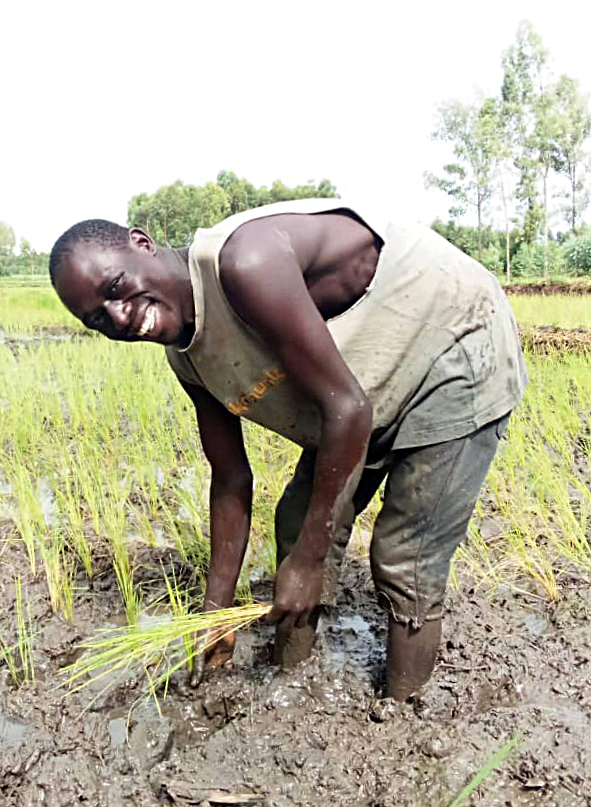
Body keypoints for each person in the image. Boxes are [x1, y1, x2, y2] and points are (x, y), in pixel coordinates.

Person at [49, 199, 527, 701]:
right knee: (298, 522)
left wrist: (310, 562)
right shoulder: (187, 359)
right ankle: (289, 684)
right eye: (97, 319)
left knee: (405, 557)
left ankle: (402, 714)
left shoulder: (245, 263)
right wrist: (217, 609)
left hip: (453, 341)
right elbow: (231, 478)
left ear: (142, 244)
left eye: (116, 289)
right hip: (369, 382)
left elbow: (348, 410)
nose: (119, 317)